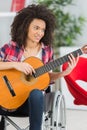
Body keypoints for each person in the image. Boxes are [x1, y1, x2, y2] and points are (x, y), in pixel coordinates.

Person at [0, 4, 87, 130]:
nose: (40, 33)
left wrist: (64, 73)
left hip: (31, 104)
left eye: (43, 29)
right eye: (36, 28)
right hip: (5, 100)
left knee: (36, 93)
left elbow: (46, 77)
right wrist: (16, 64)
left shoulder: (47, 51)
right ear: (25, 27)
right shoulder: (10, 47)